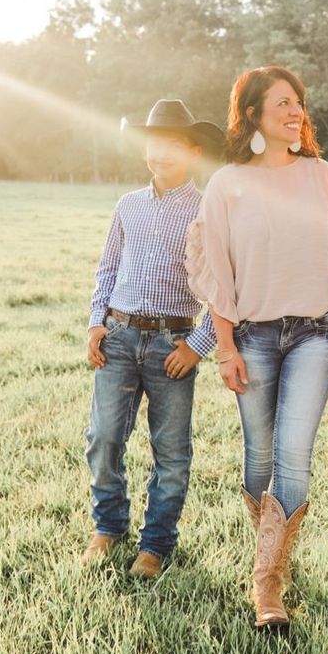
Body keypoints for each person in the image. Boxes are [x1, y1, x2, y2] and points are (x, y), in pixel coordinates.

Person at [186, 66, 328, 629]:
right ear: (255, 113)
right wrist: (225, 345)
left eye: (299, 103)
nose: (296, 112)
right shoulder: (228, 183)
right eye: (283, 103)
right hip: (253, 335)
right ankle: (274, 544)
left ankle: (268, 584)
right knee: (258, 455)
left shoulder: (322, 175)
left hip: (317, 330)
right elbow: (216, 267)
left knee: (292, 452)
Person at [83, 99, 221, 578]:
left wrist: (198, 345)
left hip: (172, 344)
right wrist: (96, 322)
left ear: (193, 150)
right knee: (103, 438)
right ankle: (109, 525)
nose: (159, 154)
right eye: (152, 144)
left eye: (172, 146)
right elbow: (107, 269)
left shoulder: (208, 209)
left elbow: (227, 286)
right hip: (118, 336)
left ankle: (156, 543)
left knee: (172, 452)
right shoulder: (128, 206)